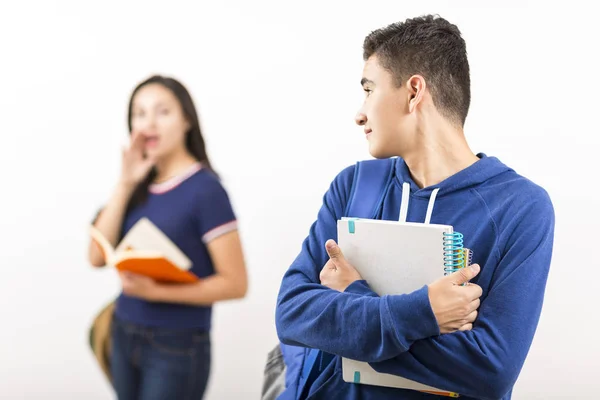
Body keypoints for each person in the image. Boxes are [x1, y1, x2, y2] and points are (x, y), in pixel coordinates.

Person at [275, 14, 554, 400]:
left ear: (413, 91)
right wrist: (422, 313)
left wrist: (352, 299)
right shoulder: (354, 185)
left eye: (369, 89)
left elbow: (490, 371)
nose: (360, 113)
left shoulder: (521, 208)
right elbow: (292, 313)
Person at [87, 75, 248, 399]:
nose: (149, 123)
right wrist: (126, 182)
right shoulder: (136, 185)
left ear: (186, 119)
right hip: (123, 332)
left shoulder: (206, 190)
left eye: (162, 112)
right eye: (140, 113)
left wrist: (156, 291)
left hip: (176, 345)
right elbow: (95, 257)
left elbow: (236, 284)